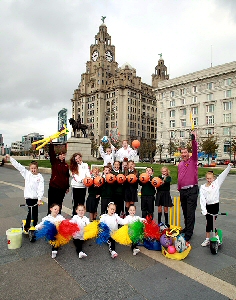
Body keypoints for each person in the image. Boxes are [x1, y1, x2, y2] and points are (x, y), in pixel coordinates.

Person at [200, 163, 232, 246]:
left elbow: (223, 175)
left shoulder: (216, 183)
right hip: (208, 206)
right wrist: (204, 209)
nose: (209, 180)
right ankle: (208, 239)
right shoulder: (203, 187)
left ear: (213, 178)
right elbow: (202, 199)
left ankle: (216, 237)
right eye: (207, 178)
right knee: (209, 222)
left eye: (210, 178)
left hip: (215, 205)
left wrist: (229, 167)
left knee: (211, 222)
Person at [10, 157, 44, 232]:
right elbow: (19, 166)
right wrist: (10, 159)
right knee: (30, 212)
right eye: (32, 168)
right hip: (28, 197)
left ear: (37, 168)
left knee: (35, 213)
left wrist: (39, 199)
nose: (33, 170)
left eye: (35, 168)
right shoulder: (27, 174)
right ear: (29, 168)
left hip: (35, 198)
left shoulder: (40, 177)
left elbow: (40, 188)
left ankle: (34, 226)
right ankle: (27, 226)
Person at [178, 131, 199, 242]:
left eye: (185, 152)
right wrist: (179, 188)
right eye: (182, 153)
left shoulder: (193, 160)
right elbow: (179, 177)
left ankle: (189, 234)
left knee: (190, 213)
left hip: (192, 190)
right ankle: (187, 228)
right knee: (185, 212)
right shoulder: (180, 164)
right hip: (183, 191)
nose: (184, 154)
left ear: (189, 153)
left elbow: (195, 149)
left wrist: (193, 139)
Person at [48, 141, 70, 215]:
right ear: (59, 155)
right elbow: (51, 154)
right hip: (53, 187)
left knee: (59, 204)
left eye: (64, 155)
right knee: (51, 204)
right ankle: (49, 218)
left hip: (61, 189)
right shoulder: (54, 162)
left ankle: (58, 219)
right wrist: (51, 145)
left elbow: (67, 177)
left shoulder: (66, 165)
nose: (63, 156)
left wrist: (67, 187)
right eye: (61, 155)